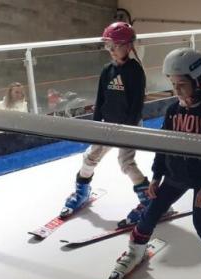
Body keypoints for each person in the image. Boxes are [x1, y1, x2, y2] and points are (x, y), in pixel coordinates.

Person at [107, 48, 201, 279]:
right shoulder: (172, 110)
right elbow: (163, 144)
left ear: (198, 81)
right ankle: (135, 252)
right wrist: (157, 176)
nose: (177, 90)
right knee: (150, 213)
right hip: (174, 176)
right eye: (173, 84)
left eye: (182, 84)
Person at [60, 22, 149, 228]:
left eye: (113, 45)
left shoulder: (135, 72)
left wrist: (128, 129)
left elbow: (137, 105)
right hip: (107, 125)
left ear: (127, 46)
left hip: (128, 126)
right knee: (90, 157)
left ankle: (148, 199)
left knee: (126, 164)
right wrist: (95, 126)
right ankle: (82, 192)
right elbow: (100, 100)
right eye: (107, 46)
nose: (109, 50)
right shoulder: (106, 70)